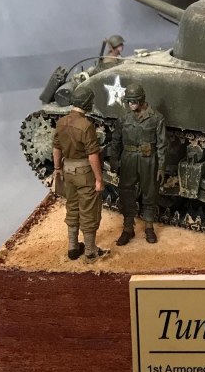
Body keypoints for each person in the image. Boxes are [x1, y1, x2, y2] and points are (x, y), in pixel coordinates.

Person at [52, 85, 109, 261]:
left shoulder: (61, 122)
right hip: (84, 173)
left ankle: (73, 247)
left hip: (67, 170)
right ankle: (91, 251)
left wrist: (57, 168)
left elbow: (56, 148)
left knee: (72, 207)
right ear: (87, 103)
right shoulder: (86, 125)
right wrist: (99, 179)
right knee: (89, 210)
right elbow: (93, 155)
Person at [109, 83, 166, 245]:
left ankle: (149, 227)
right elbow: (116, 140)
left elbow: (162, 144)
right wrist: (114, 159)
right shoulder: (124, 118)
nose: (131, 104)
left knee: (150, 191)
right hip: (128, 157)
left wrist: (161, 166)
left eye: (134, 101)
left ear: (141, 100)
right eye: (129, 101)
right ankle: (128, 228)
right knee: (126, 191)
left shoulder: (156, 118)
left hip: (149, 158)